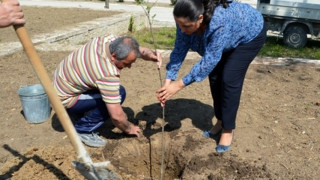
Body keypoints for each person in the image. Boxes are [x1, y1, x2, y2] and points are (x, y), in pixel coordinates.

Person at [156, 0, 266, 153]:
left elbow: (210, 60)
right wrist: (168, 81)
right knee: (214, 77)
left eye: (186, 26)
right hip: (227, 37)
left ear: (200, 18)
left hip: (248, 34)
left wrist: (179, 84)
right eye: (179, 25)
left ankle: (228, 129)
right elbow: (179, 49)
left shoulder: (218, 21)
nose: (181, 29)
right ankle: (221, 121)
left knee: (229, 78)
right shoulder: (184, 20)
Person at [53, 34, 162, 147]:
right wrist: (129, 128)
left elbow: (135, 49)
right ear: (114, 56)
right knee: (120, 93)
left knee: (107, 93)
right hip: (63, 98)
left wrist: (150, 54)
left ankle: (78, 112)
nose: (129, 67)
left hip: (63, 82)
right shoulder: (107, 73)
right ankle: (83, 130)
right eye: (126, 63)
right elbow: (116, 116)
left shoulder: (107, 40)